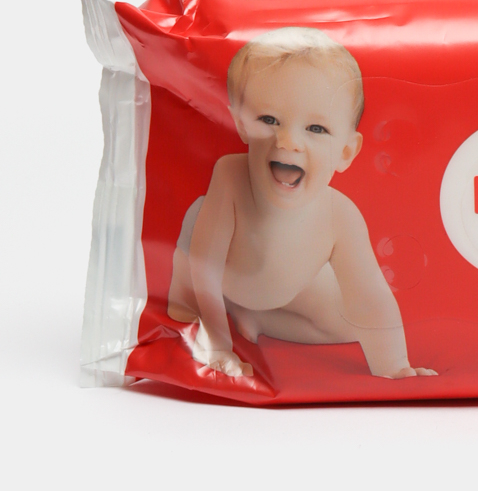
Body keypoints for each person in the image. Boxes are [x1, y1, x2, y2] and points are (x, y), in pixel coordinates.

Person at [167, 27, 436, 382]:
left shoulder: (340, 216)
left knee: (352, 325)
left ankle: (257, 317)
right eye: (269, 120)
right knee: (191, 250)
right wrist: (218, 345)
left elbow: (370, 299)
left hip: (286, 289)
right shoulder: (230, 177)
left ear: (345, 152)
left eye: (316, 129)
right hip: (219, 273)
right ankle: (196, 303)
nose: (288, 141)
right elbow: (206, 264)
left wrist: (395, 366)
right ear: (241, 124)